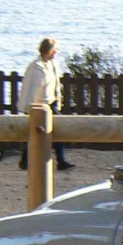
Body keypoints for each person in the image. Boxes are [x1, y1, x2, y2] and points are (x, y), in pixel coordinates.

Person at [18, 37, 75, 171]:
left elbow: (55, 84)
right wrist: (31, 108)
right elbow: (32, 89)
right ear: (49, 50)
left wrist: (57, 100)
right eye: (55, 50)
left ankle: (60, 160)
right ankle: (25, 160)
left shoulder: (53, 65)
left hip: (51, 102)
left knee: (56, 129)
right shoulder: (35, 67)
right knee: (34, 134)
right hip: (39, 105)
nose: (56, 53)